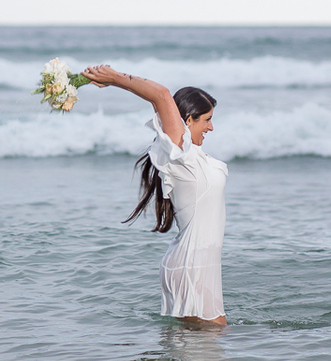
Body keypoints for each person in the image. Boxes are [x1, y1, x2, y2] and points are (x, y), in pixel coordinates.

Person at [81, 65, 226, 326]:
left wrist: (116, 82)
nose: (211, 127)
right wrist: (113, 78)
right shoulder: (180, 153)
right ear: (188, 120)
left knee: (192, 350)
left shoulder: (190, 156)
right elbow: (160, 94)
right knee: (208, 343)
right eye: (207, 119)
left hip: (198, 264)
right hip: (192, 264)